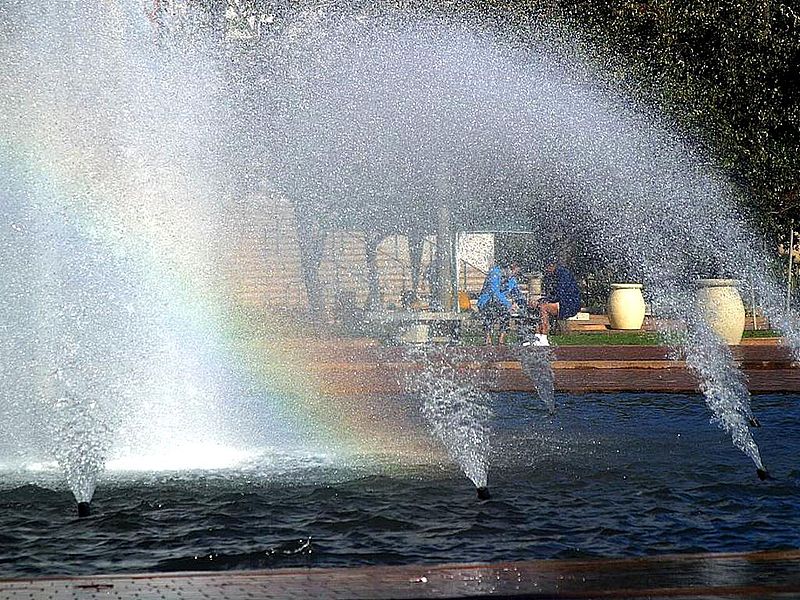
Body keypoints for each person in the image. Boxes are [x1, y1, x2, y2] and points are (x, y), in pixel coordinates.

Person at [531, 259, 580, 345]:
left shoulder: (563, 274)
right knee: (538, 307)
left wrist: (543, 300)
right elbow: (554, 294)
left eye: (546, 268)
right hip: (563, 301)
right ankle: (537, 338)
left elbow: (560, 294)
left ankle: (544, 338)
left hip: (569, 304)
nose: (546, 270)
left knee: (543, 307)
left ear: (551, 266)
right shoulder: (555, 275)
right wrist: (540, 301)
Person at [477, 262, 525, 345]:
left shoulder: (511, 279)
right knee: (491, 310)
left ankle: (501, 340)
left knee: (506, 312)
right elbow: (494, 293)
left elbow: (517, 294)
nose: (516, 275)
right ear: (511, 267)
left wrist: (524, 306)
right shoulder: (494, 274)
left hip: (502, 305)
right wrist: (509, 305)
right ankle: (487, 339)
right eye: (516, 272)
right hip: (486, 301)